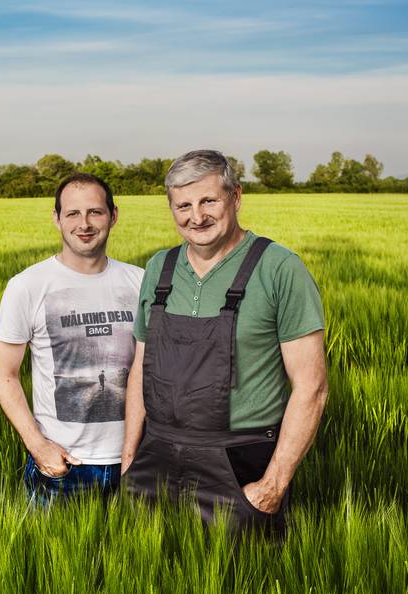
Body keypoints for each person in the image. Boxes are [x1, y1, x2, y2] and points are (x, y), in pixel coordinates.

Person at [121, 150, 328, 537]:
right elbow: (140, 368)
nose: (196, 216)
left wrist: (272, 487)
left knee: (242, 568)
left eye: (208, 201)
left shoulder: (279, 268)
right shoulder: (159, 268)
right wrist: (130, 459)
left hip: (240, 463)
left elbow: (312, 387)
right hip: (155, 459)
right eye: (183, 205)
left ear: (236, 196)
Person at [0, 172, 144, 506]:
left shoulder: (140, 283)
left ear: (113, 216)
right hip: (63, 465)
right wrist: (38, 446)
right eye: (73, 213)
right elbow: (5, 374)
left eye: (95, 212)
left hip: (135, 461)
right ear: (57, 219)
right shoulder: (27, 286)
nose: (84, 223)